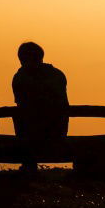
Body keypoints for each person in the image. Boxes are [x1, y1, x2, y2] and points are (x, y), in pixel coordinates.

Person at [11, 41, 69, 173]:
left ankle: (28, 164)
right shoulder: (58, 75)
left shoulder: (20, 77)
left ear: (21, 59)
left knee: (21, 116)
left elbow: (21, 103)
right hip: (58, 132)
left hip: (30, 136)